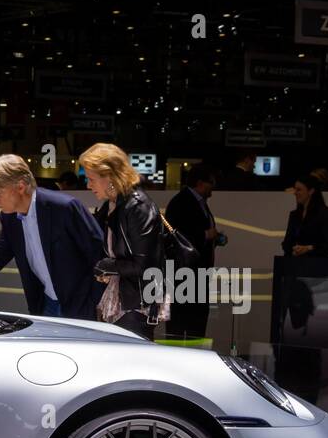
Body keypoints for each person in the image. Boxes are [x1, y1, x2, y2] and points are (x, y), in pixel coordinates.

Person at [0, 154, 106, 321]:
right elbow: (0, 253)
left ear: (21, 186)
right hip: (45, 304)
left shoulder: (64, 207)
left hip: (81, 306)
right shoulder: (9, 217)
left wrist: (94, 301)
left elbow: (99, 254)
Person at [81, 142, 169, 340]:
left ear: (110, 176)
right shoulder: (114, 205)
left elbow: (144, 266)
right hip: (123, 299)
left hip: (137, 304)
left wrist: (106, 266)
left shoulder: (137, 206)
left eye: (91, 179)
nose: (88, 185)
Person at [163, 164, 222, 340]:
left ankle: (192, 357)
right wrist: (205, 234)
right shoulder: (182, 202)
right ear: (200, 183)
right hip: (184, 275)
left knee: (195, 322)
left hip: (195, 274)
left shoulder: (196, 202)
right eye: (211, 183)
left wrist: (212, 239)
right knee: (182, 324)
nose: (213, 187)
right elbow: (175, 235)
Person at [281, 174, 328, 258]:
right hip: (294, 264)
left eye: (299, 190)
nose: (295, 193)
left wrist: (309, 248)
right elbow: (287, 242)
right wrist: (293, 250)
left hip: (316, 265)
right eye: (295, 189)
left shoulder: (325, 213)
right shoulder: (294, 215)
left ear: (311, 191)